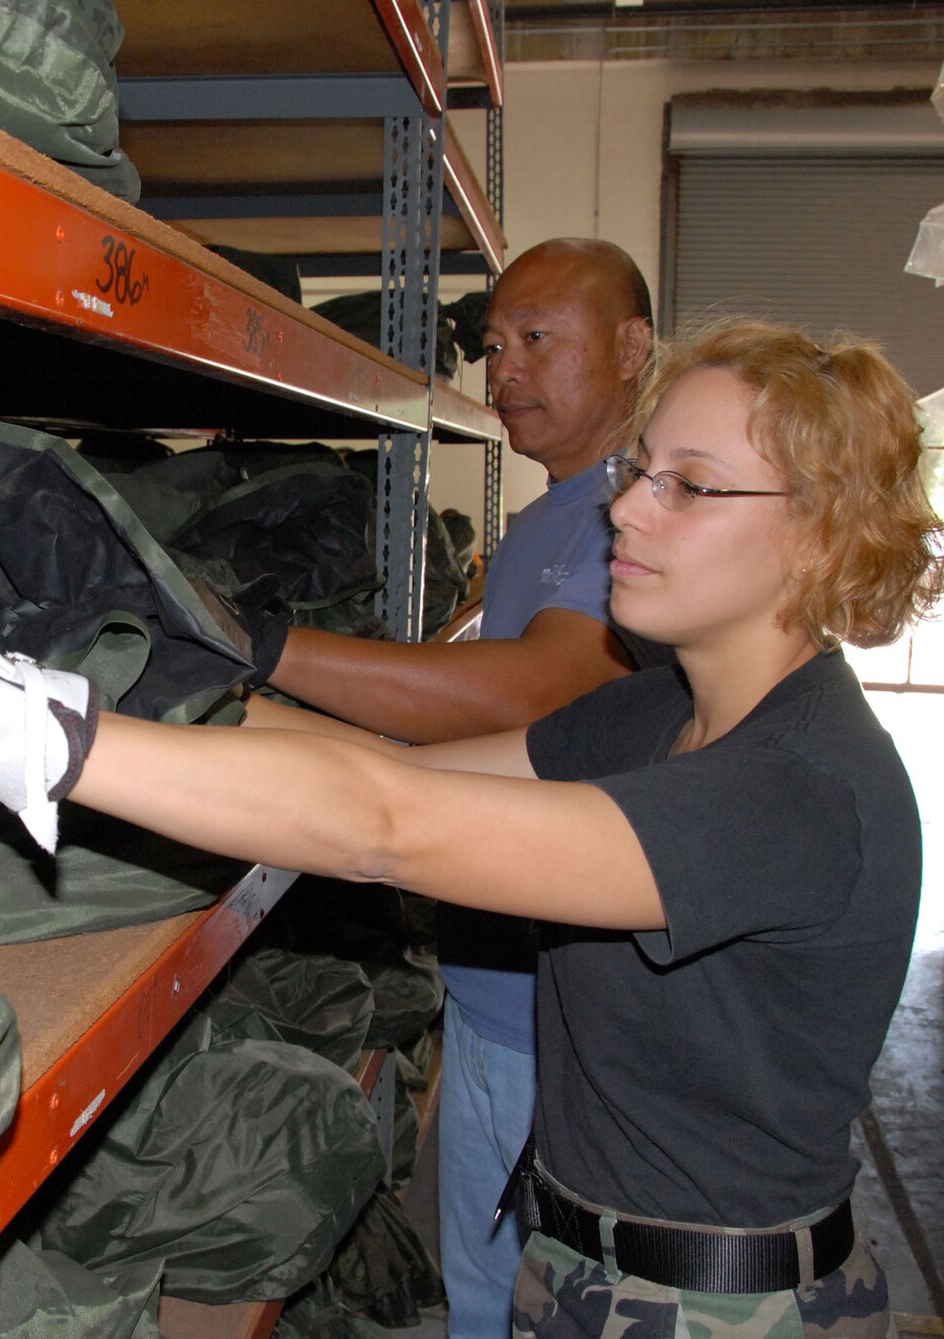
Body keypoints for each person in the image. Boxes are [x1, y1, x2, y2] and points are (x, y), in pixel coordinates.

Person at [0, 317, 944, 1336]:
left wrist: (29, 736)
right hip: (584, 1259)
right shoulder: (657, 715)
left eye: (691, 485)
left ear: (820, 531)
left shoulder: (795, 793)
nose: (626, 512)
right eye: (639, 472)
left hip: (716, 1309)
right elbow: (396, 764)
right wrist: (95, 682)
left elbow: (386, 827)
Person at [234, 237, 655, 1338]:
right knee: (484, 1287)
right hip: (493, 986)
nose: (501, 370)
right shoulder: (547, 519)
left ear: (630, 347)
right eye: (495, 343)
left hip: (556, 1011)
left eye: (537, 339)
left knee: (538, 1299)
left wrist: (262, 648)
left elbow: (531, 695)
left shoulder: (633, 520)